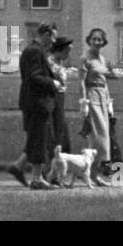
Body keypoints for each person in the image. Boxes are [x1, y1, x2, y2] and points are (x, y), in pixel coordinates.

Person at [10, 23, 62, 189]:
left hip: (36, 102)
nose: (53, 41)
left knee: (36, 138)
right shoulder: (34, 51)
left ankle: (18, 167)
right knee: (39, 139)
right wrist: (53, 82)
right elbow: (34, 77)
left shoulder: (35, 50)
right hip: (36, 102)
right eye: (53, 37)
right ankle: (37, 178)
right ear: (45, 34)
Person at [79, 28, 116, 187]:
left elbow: (104, 81)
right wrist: (83, 102)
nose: (96, 42)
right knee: (100, 134)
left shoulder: (103, 59)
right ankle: (104, 164)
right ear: (89, 40)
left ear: (103, 42)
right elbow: (81, 81)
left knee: (98, 137)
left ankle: (94, 176)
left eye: (99, 40)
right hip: (92, 95)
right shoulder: (85, 58)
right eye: (94, 39)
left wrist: (109, 102)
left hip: (102, 96)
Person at [47, 37, 74, 172]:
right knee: (55, 131)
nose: (68, 54)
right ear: (60, 49)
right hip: (53, 98)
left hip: (60, 98)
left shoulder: (59, 62)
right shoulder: (50, 62)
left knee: (61, 131)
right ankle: (52, 169)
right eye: (67, 51)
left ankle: (58, 169)